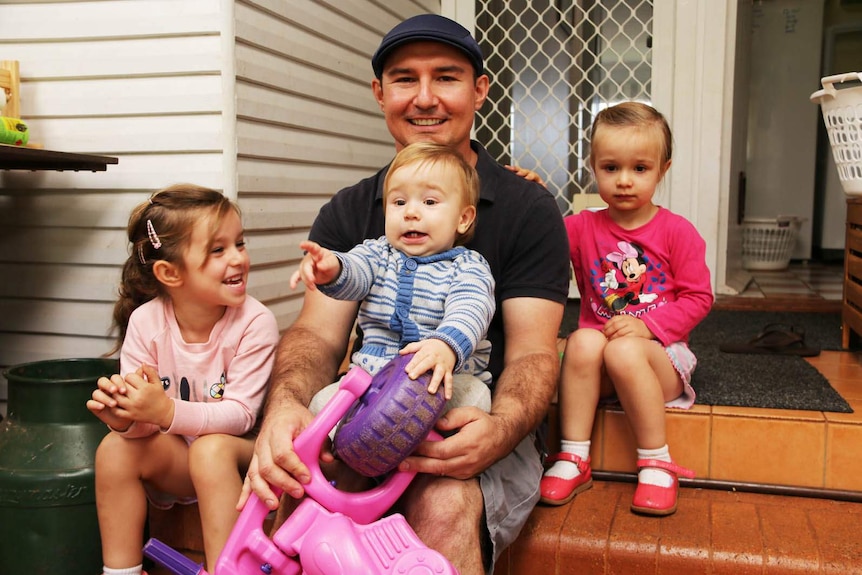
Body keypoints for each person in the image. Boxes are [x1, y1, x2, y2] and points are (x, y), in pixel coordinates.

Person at [242, 14, 570, 575]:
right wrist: (287, 407)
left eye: (446, 77)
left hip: (470, 419)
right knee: (297, 484)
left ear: (479, 91)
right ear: (379, 92)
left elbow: (536, 354)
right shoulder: (353, 209)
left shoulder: (527, 210)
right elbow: (316, 335)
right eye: (403, 79)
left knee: (442, 502)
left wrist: (498, 429)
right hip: (370, 411)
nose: (424, 98)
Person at [86, 184, 280, 575]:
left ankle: (227, 569)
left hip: (241, 459)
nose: (238, 259)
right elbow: (145, 427)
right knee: (113, 449)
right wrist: (125, 417)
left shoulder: (254, 322)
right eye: (218, 250)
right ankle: (121, 571)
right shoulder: (146, 322)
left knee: (209, 451)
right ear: (169, 273)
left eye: (239, 243)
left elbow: (241, 415)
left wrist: (166, 410)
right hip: (180, 459)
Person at [539, 102, 713, 516]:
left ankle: (656, 460)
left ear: (662, 170)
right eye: (611, 168)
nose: (624, 181)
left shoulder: (677, 232)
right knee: (581, 341)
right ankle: (573, 456)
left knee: (623, 348)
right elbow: (537, 237)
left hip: (660, 360)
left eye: (640, 169)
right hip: (601, 364)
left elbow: (699, 298)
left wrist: (649, 326)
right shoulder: (581, 227)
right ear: (593, 167)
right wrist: (527, 193)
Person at [291, 141, 495, 414]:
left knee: (476, 397)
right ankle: (371, 439)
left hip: (440, 378)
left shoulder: (468, 266)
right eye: (399, 202)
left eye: (430, 202)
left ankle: (406, 440)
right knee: (321, 404)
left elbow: (472, 309)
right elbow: (356, 272)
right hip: (375, 379)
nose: (410, 212)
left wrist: (445, 345)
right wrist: (333, 269)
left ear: (463, 218)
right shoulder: (376, 254)